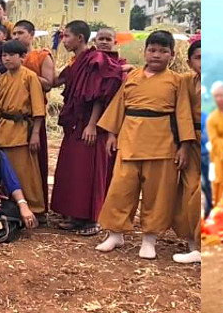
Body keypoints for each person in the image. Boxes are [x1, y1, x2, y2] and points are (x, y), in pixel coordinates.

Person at [94, 30, 196, 258]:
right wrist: (112, 134)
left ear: (172, 54)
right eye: (152, 50)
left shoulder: (176, 81)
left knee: (157, 194)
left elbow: (183, 114)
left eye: (163, 51)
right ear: (145, 51)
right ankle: (115, 234)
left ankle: (149, 239)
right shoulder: (132, 77)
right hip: (130, 140)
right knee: (121, 188)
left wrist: (184, 146)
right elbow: (119, 106)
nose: (157, 55)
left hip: (162, 144)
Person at [51, 20, 123, 236]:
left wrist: (92, 125)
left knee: (89, 170)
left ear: (79, 38)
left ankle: (93, 219)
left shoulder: (95, 59)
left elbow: (97, 96)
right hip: (75, 123)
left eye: (67, 37)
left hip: (90, 125)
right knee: (73, 169)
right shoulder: (77, 61)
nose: (64, 41)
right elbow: (56, 81)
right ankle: (75, 216)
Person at [0, 40, 46, 217]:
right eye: (4, 55)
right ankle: (11, 207)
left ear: (22, 57)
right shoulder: (1, 79)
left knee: (26, 172)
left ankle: (35, 208)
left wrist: (35, 134)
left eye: (11, 55)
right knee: (5, 172)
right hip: (3, 129)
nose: (6, 59)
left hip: (22, 130)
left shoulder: (30, 77)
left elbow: (38, 109)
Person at [15, 20, 54, 213]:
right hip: (13, 122)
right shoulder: (11, 57)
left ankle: (38, 207)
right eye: (14, 33)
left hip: (33, 117)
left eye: (20, 33)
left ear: (31, 35)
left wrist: (24, 71)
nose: (16, 36)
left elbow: (48, 83)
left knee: (35, 164)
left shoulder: (41, 56)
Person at [172, 40, 202, 264]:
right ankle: (193, 241)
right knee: (190, 189)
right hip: (192, 142)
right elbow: (158, 78)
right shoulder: (185, 81)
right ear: (189, 61)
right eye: (198, 58)